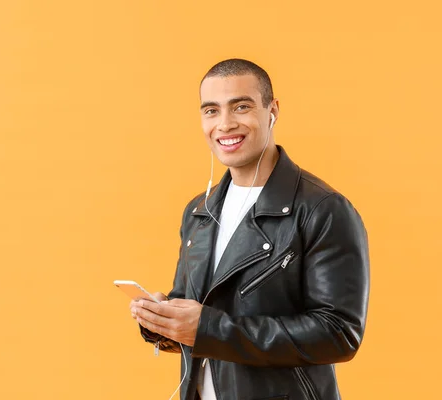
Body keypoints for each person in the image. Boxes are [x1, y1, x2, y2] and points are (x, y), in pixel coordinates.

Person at [129, 58, 370, 400]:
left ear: (272, 110)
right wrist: (162, 321)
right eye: (211, 111)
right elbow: (197, 312)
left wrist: (209, 328)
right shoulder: (199, 210)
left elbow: (339, 333)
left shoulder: (323, 209)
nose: (225, 124)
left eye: (240, 107)